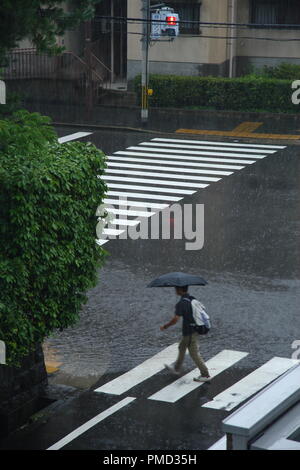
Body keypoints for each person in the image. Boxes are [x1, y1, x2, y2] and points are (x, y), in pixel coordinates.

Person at [160, 285, 211, 383]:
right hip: (193, 329)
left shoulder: (182, 303)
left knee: (194, 353)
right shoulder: (191, 299)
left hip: (190, 332)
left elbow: (175, 319)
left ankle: (205, 374)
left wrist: (165, 326)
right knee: (182, 347)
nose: (175, 290)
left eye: (176, 289)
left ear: (179, 290)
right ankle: (176, 368)